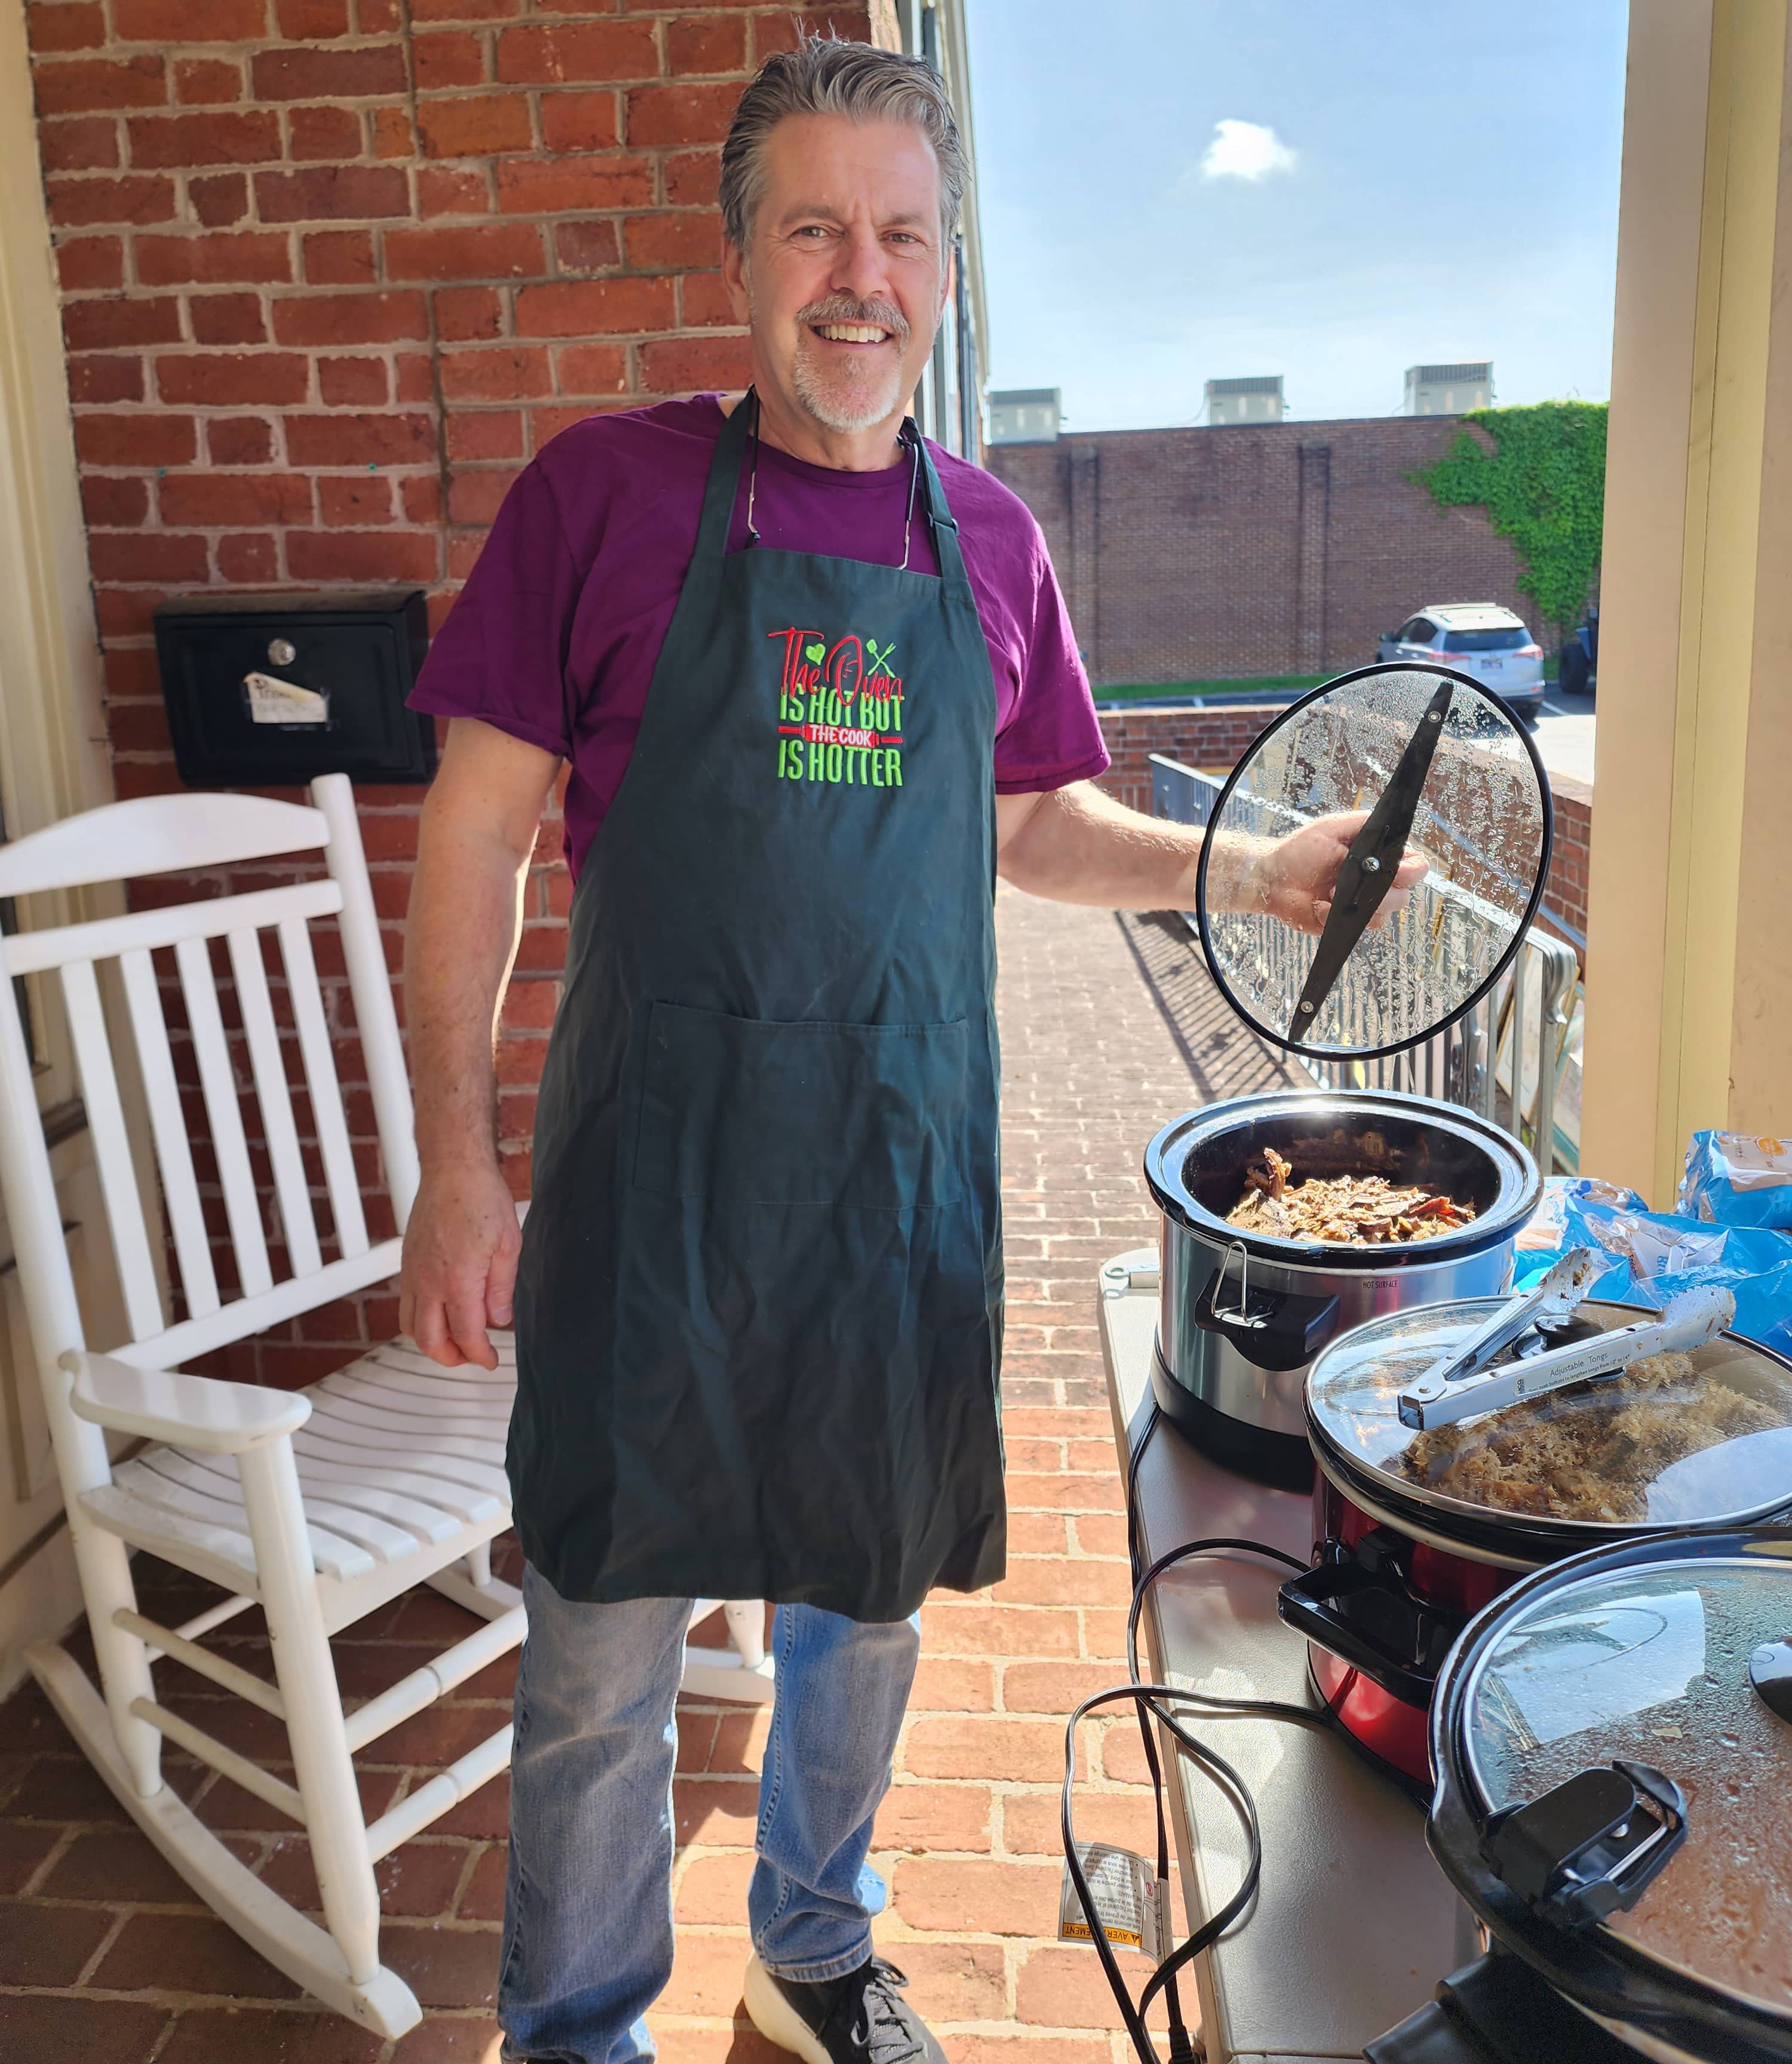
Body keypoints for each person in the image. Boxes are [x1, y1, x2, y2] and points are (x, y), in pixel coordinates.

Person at [399, 36, 1395, 2064]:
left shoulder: (992, 540)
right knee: (602, 1630)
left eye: (907, 236)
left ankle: (818, 1948)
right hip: (654, 1179)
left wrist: (1246, 863)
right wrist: (454, 1159)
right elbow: (476, 831)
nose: (866, 276)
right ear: (746, 256)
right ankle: (577, 2024)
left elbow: (1033, 823)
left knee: (863, 1603)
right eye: (820, 229)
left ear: (948, 272)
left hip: (895, 1170)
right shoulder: (601, 494)